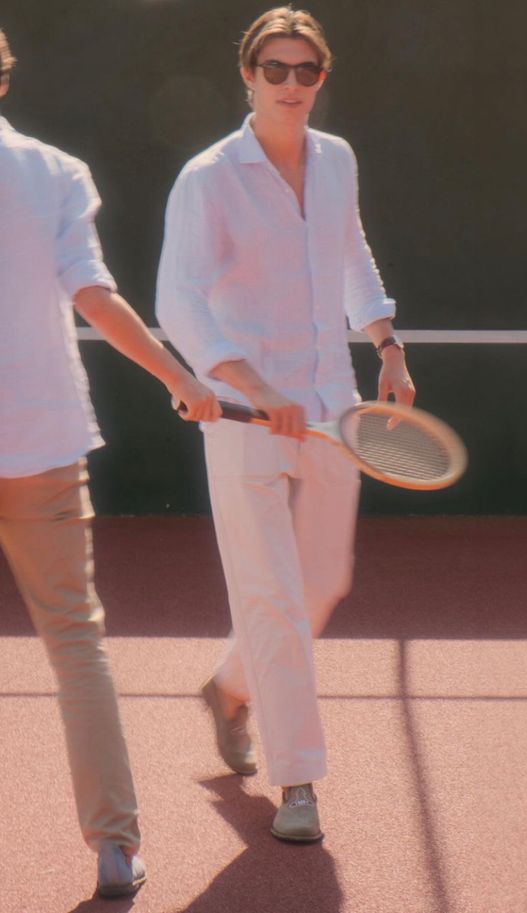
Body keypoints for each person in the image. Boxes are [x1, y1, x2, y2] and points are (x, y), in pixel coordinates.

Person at [156, 6, 415, 842]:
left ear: (322, 77)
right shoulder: (208, 176)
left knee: (321, 583)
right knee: (270, 596)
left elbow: (349, 252)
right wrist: (252, 383)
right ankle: (297, 776)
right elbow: (178, 300)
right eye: (277, 69)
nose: (292, 84)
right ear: (248, 74)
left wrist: (386, 341)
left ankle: (231, 685)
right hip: (241, 415)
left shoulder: (335, 160)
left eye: (307, 71)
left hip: (332, 404)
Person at [0, 29, 221, 897]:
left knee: (77, 645)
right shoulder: (54, 171)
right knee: (77, 645)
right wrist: (179, 376)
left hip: (44, 440)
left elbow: (91, 293)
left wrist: (180, 375)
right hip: (45, 443)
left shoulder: (54, 172)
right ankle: (116, 846)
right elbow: (92, 294)